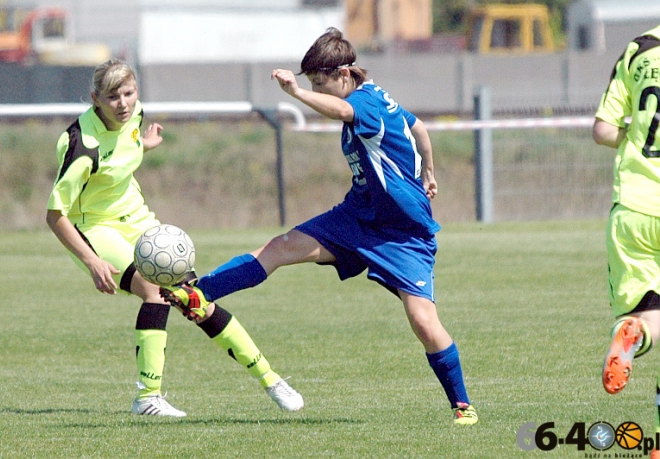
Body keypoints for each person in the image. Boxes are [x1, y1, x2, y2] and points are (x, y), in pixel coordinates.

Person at [160, 28, 478, 425]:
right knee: (281, 246)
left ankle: (462, 405)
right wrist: (429, 171)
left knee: (424, 324)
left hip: (403, 233)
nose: (318, 92)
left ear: (343, 75)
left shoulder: (364, 102)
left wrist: (295, 93)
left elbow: (347, 113)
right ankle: (197, 293)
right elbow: (419, 129)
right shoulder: (377, 95)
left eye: (320, 84)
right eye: (312, 85)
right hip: (356, 216)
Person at [46, 58, 303, 417]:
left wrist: (145, 145)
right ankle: (147, 397)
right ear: (95, 99)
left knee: (195, 297)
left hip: (137, 219)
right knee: (154, 292)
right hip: (93, 227)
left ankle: (271, 379)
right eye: (113, 97)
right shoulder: (80, 145)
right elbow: (55, 214)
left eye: (129, 93)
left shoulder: (133, 117)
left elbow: (121, 154)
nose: (123, 103)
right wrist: (91, 260)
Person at [594, 25, 660, 454]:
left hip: (635, 207)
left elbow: (602, 129)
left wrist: (635, 137)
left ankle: (633, 334)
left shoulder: (641, 48)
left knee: (650, 314)